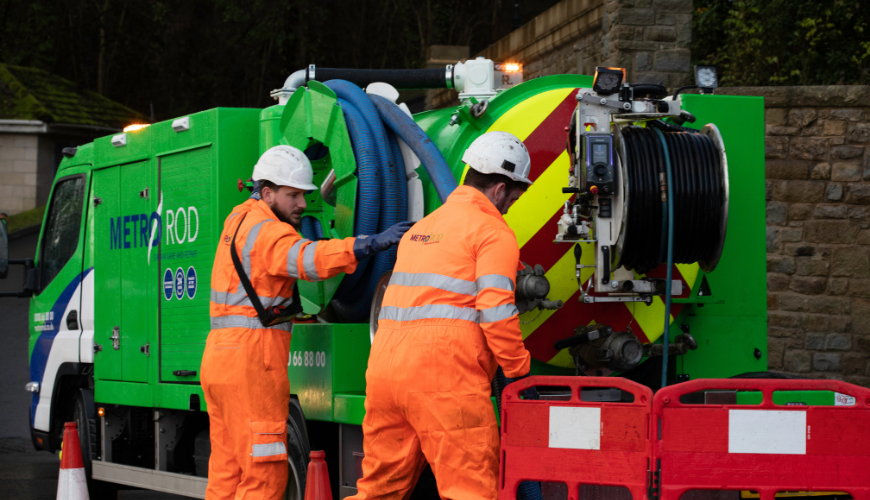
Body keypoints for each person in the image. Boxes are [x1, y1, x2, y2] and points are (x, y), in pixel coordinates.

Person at [201, 145, 413, 500]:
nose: (302, 204)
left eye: (304, 194)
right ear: (267, 192)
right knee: (265, 470)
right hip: (253, 362)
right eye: (293, 195)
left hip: (221, 359)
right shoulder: (269, 232)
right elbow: (306, 259)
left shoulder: (238, 219)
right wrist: (366, 244)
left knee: (227, 471)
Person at [350, 131, 534, 499]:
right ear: (498, 189)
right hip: (445, 379)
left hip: (386, 372)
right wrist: (518, 369)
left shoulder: (423, 228)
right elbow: (496, 311)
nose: (509, 207)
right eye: (512, 199)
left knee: (378, 490)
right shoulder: (492, 231)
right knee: (470, 491)